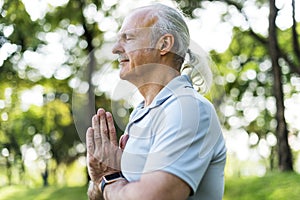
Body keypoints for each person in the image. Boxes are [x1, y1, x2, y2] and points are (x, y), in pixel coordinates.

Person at [86, 3, 226, 200]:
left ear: (164, 44)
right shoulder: (141, 114)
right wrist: (99, 178)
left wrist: (109, 177)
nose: (116, 49)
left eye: (128, 38)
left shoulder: (189, 109)